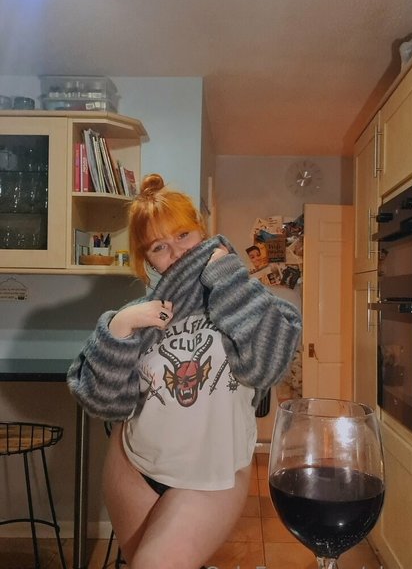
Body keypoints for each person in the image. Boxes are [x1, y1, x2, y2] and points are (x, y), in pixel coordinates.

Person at [67, 174, 302, 569]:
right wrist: (119, 327)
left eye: (183, 235)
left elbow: (266, 365)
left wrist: (227, 278)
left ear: (202, 232)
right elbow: (105, 403)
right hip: (133, 467)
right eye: (159, 247)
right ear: (147, 260)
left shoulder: (248, 300)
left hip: (212, 475)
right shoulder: (141, 315)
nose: (176, 252)